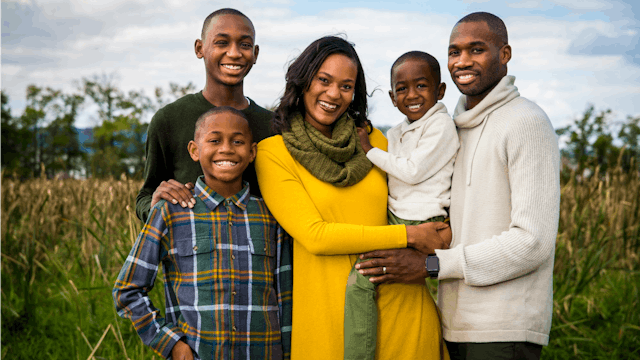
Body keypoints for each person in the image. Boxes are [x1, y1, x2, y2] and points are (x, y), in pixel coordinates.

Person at [358, 12, 561, 360]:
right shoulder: (451, 128)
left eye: (477, 50)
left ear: (505, 54)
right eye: (454, 52)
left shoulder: (526, 122)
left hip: (503, 329)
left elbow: (533, 241)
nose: (462, 61)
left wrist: (433, 265)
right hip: (452, 321)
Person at [254, 36, 450, 360]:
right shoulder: (273, 153)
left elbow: (425, 199)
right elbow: (316, 236)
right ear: (303, 80)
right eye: (324, 80)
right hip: (328, 319)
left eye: (346, 86)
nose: (334, 94)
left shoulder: (373, 140)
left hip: (404, 308)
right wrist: (409, 235)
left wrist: (438, 243)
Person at [113, 107, 292, 360]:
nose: (227, 149)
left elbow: (287, 295)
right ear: (194, 150)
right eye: (215, 140)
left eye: (238, 141)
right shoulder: (170, 213)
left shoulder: (271, 214)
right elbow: (127, 290)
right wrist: (171, 344)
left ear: (252, 152)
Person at [346, 51, 459, 359]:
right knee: (379, 285)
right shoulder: (397, 132)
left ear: (440, 91)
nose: (412, 95)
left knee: (361, 283)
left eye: (421, 86)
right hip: (397, 219)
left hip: (419, 223)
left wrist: (368, 148)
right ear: (394, 98)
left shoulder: (441, 127)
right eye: (402, 89)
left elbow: (410, 171)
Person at [135, 8, 273, 223]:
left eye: (244, 45)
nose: (235, 53)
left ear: (255, 54)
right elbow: (146, 194)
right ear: (200, 48)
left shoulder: (272, 126)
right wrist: (155, 204)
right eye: (222, 43)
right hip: (188, 251)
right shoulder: (169, 120)